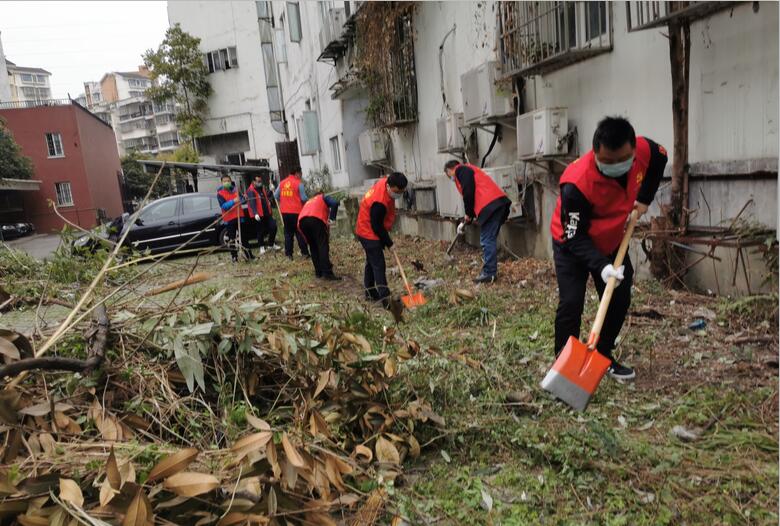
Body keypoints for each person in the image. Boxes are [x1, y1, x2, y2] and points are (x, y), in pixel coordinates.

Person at [549, 116, 667, 381]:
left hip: (613, 238)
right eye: (608, 162)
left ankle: (602, 355)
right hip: (572, 244)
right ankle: (564, 366)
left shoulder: (644, 151)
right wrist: (601, 267)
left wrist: (645, 198)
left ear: (633, 151)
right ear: (596, 152)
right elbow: (575, 236)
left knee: (619, 296)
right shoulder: (577, 183)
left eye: (622, 160)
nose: (616, 166)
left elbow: (661, 157)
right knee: (571, 303)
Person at [444, 160, 512, 283]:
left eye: (449, 175)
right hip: (497, 204)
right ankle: (490, 271)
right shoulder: (470, 170)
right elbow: (474, 193)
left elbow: (468, 192)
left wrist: (468, 213)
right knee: (489, 239)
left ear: (450, 170)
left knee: (486, 239)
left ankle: (489, 273)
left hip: (491, 205)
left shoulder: (461, 170)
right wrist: (469, 218)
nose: (451, 179)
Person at [355, 172, 408, 307]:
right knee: (378, 265)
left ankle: (369, 292)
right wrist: (389, 243)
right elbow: (377, 226)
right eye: (397, 192)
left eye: (402, 191)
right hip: (367, 231)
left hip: (367, 228)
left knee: (371, 261)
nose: (399, 194)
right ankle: (386, 300)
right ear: (389, 187)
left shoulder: (386, 182)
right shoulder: (379, 202)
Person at [298, 193, 341, 280]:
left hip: (301, 221)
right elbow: (335, 203)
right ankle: (327, 273)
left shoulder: (309, 201)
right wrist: (332, 219)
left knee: (313, 246)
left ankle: (318, 272)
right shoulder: (323, 197)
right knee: (322, 245)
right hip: (316, 219)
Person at [274, 166, 310, 260]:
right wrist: (309, 201)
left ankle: (289, 255)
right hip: (297, 212)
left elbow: (275, 195)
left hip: (285, 212)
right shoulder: (299, 183)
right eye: (301, 174)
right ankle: (305, 253)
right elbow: (303, 198)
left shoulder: (282, 183)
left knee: (288, 233)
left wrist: (283, 201)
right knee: (299, 232)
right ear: (297, 173)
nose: (301, 176)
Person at [217, 174, 253, 262]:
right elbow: (224, 206)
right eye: (224, 181)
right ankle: (234, 257)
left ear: (230, 181)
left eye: (228, 181)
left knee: (244, 237)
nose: (226, 183)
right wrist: (233, 201)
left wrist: (244, 198)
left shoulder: (235, 190)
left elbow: (241, 200)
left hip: (239, 216)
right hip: (229, 219)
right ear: (221, 183)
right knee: (232, 239)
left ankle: (249, 255)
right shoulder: (220, 194)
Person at [245, 174, 279, 254]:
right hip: (259, 214)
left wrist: (271, 190)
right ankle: (261, 247)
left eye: (260, 181)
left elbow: (266, 197)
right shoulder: (251, 190)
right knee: (260, 231)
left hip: (267, 213)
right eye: (258, 181)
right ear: (254, 182)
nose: (260, 182)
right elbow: (252, 202)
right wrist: (255, 213)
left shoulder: (261, 188)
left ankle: (271, 244)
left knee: (273, 227)